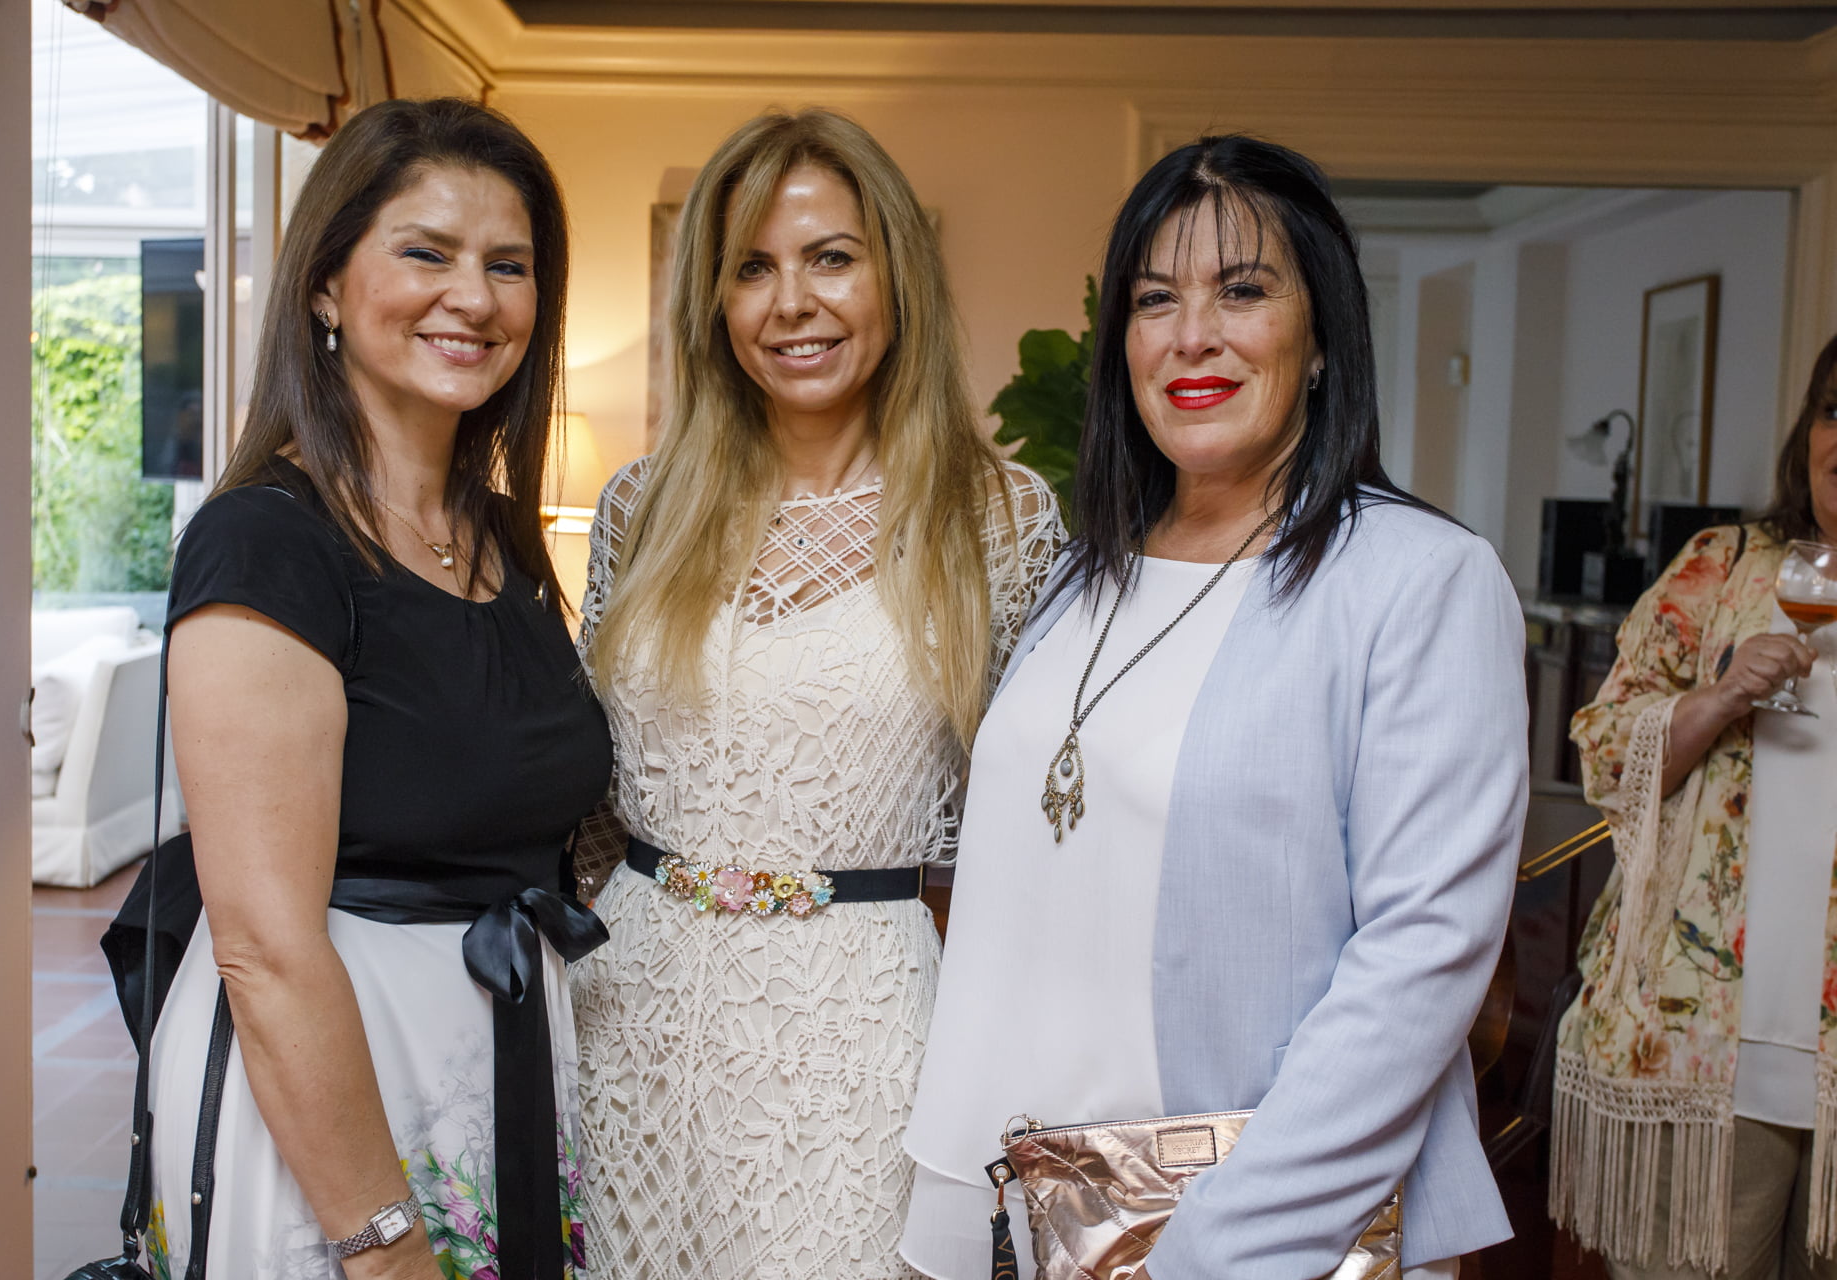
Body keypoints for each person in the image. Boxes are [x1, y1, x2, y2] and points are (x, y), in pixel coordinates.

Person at [900, 135, 1526, 1280]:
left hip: (1239, 1229)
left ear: (1321, 334)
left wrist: (1212, 1244)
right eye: (1155, 298)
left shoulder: (1417, 579)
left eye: (1241, 290)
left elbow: (1421, 954)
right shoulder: (1080, 571)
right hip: (1011, 1196)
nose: (1192, 334)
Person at [567, 108, 1062, 1279]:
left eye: (830, 258)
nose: (791, 302)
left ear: (895, 276)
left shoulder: (998, 519)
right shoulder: (641, 504)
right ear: (714, 304)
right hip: (625, 1025)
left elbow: (1030, 843)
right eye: (751, 268)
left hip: (857, 1048)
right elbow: (585, 792)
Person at [146, 98, 611, 1280]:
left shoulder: (500, 537)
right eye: (425, 252)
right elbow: (264, 948)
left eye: (507, 265)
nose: (473, 298)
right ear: (324, 286)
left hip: (496, 1060)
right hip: (333, 1106)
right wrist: (381, 1241)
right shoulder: (266, 541)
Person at [1551, 334, 1837, 1280]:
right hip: (1706, 1045)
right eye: (1834, 411)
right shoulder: (1725, 565)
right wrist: (1716, 699)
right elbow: (1603, 750)